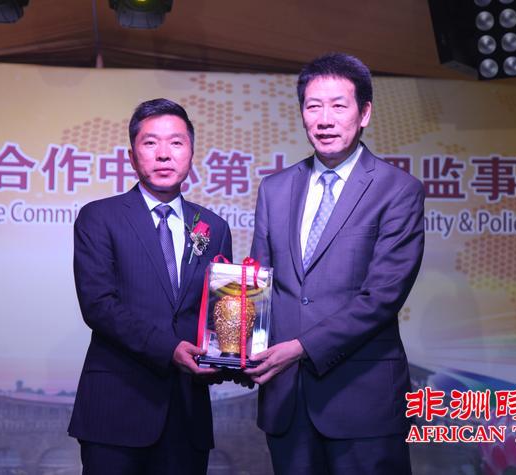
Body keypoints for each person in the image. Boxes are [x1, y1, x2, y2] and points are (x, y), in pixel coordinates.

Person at [245, 53, 425, 474]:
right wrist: (235, 347)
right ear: (302, 114)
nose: (324, 119)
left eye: (338, 106)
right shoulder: (274, 189)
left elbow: (382, 297)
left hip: (363, 401)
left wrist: (300, 347)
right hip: (287, 400)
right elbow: (259, 284)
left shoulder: (397, 190)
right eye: (313, 106)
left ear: (364, 114)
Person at [68, 98, 232, 475]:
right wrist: (170, 349)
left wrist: (232, 356)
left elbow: (220, 314)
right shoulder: (99, 217)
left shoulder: (213, 227)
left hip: (187, 414)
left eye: (176, 142)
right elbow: (99, 306)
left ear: (191, 154)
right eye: (150, 142)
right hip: (115, 411)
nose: (163, 154)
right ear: (132, 156)